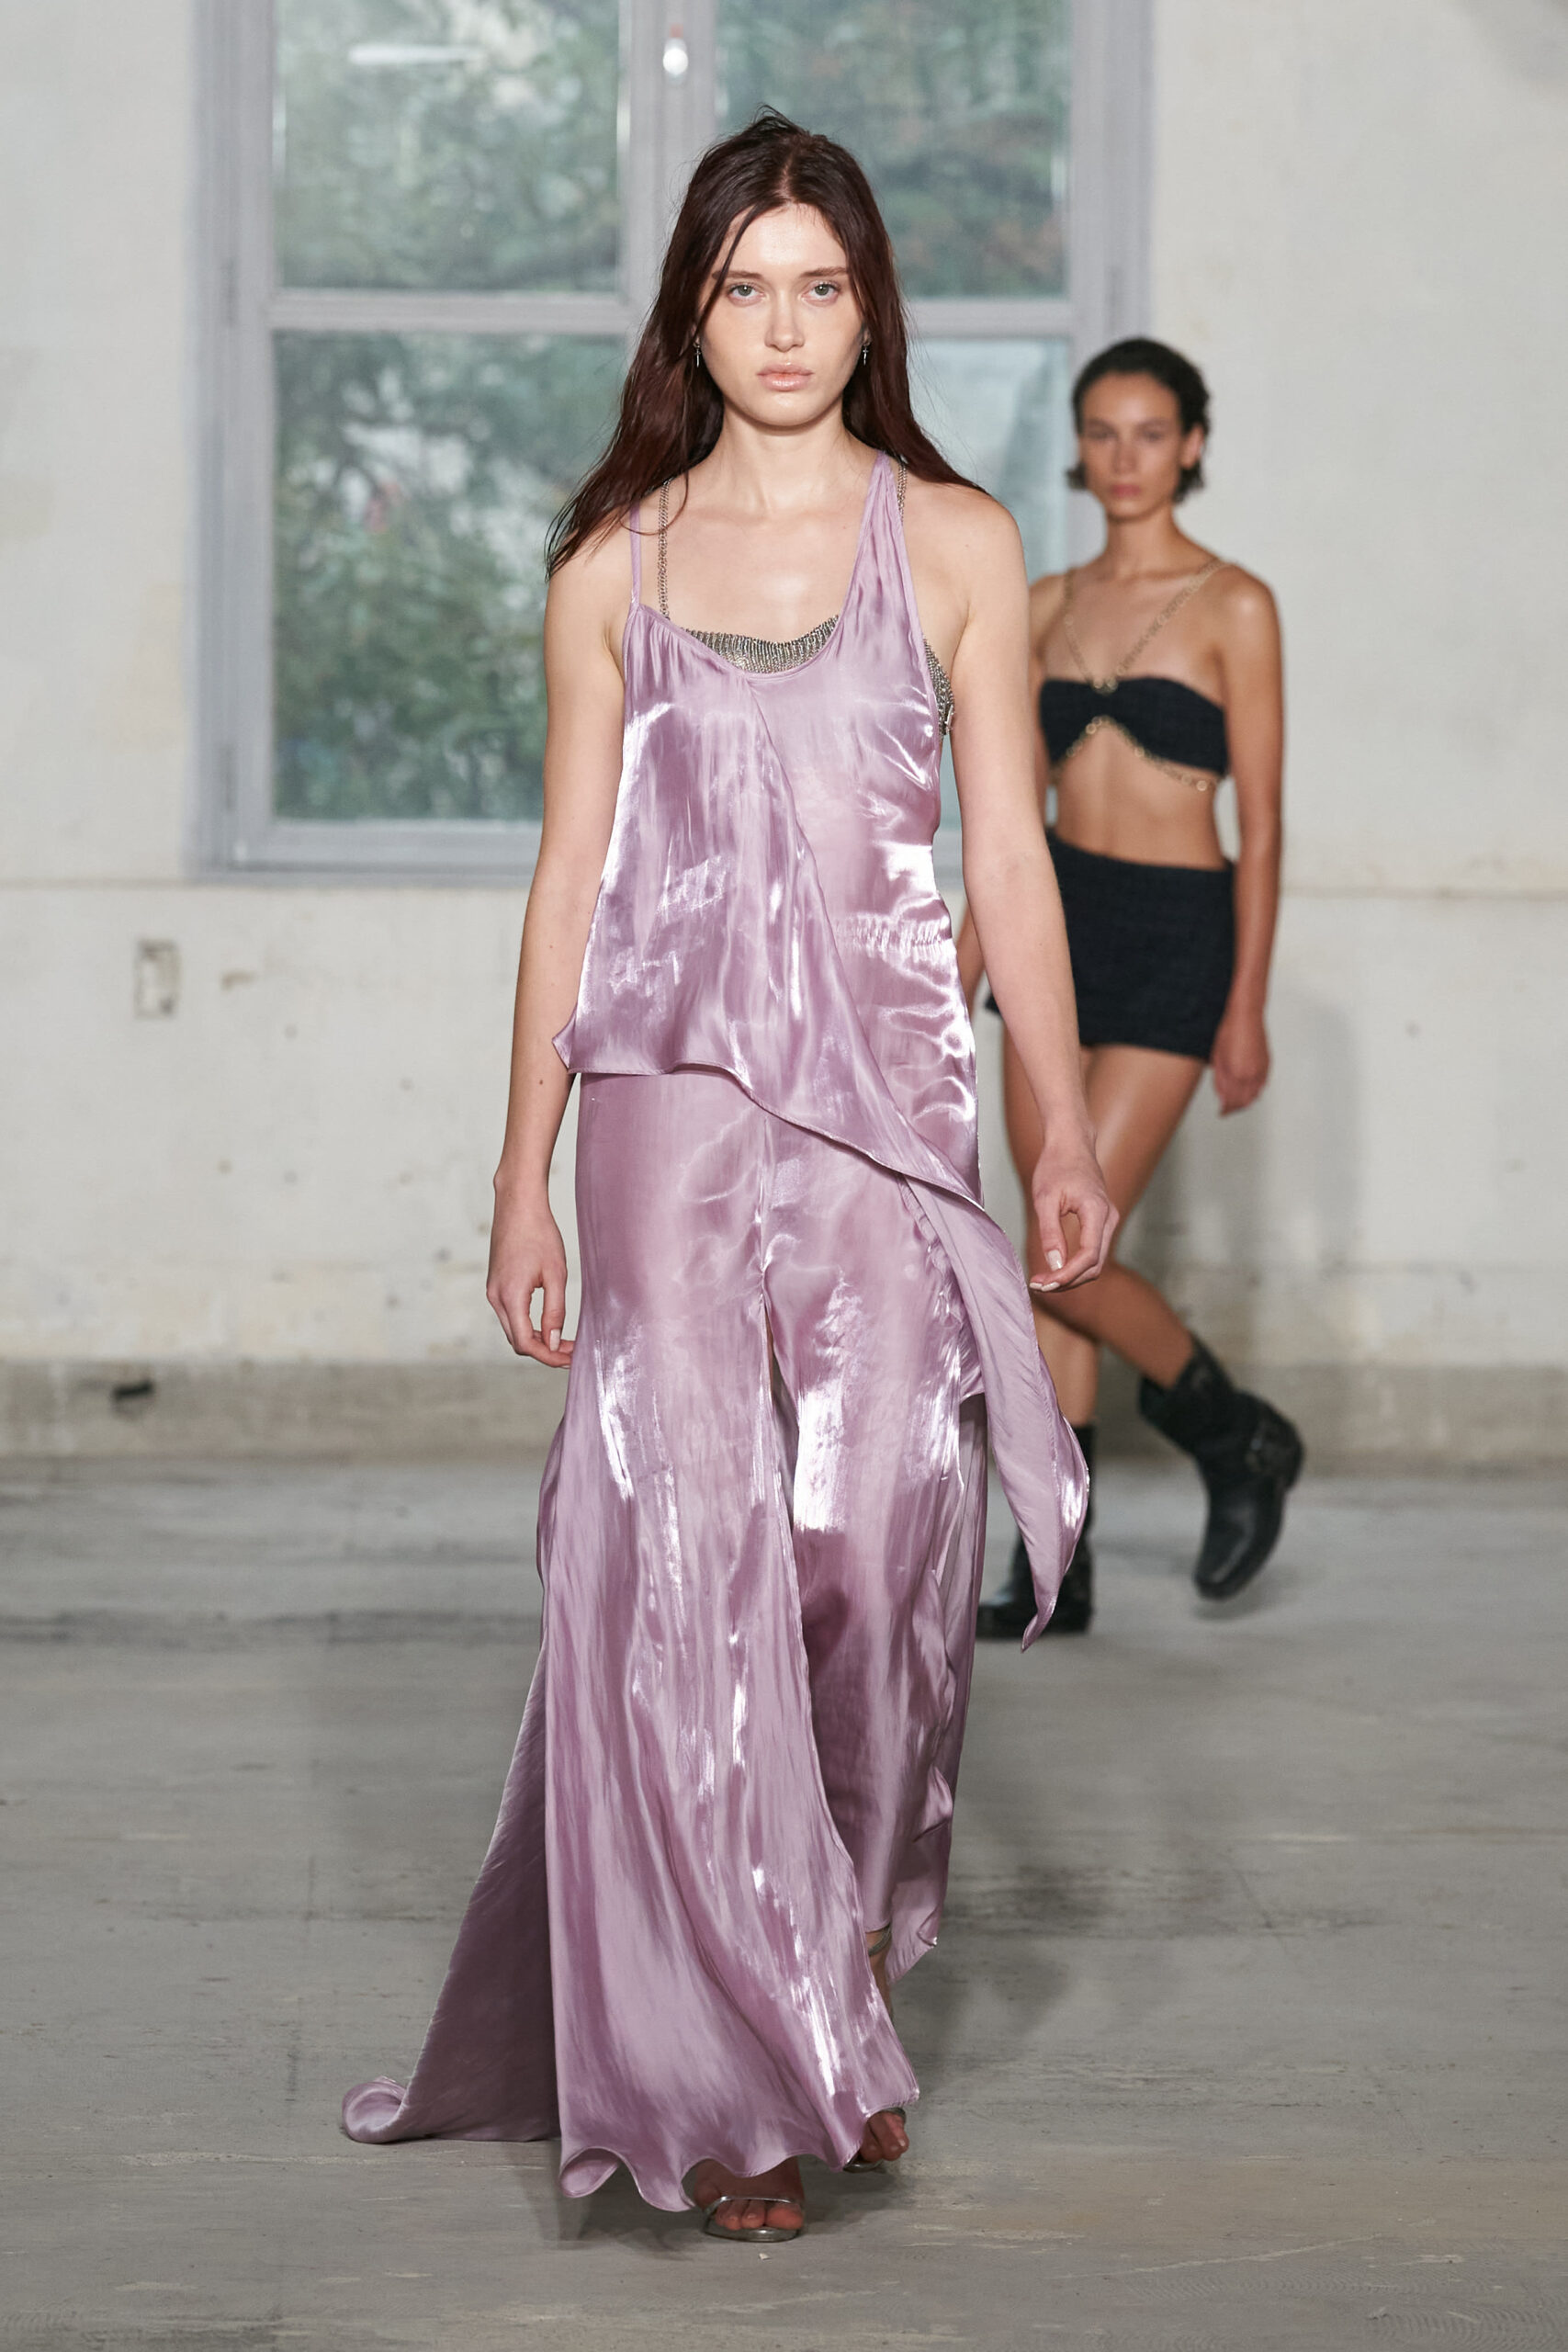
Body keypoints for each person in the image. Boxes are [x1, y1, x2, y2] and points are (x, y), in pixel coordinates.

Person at [341, 114, 1114, 2243]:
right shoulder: (612, 565)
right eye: (743, 287)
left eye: (820, 286)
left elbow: (1007, 854)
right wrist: (519, 1176)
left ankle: (827, 1969)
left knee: (873, 1559)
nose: (783, 326)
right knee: (676, 1575)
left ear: (870, 309)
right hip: (663, 1114)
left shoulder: (950, 542)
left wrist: (1053, 1118)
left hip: (884, 1113)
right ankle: (719, 2080)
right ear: (691, 316)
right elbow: (563, 883)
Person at [961, 338, 1303, 1643]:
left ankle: (1238, 1434)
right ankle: (1060, 1561)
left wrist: (1245, 1005)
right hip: (1054, 930)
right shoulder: (1043, 603)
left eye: (1150, 433)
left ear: (1192, 445)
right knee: (1048, 1251)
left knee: (1064, 1254)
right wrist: (956, 975)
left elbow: (1263, 826)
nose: (1123, 458)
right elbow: (1007, 821)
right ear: (1079, 443)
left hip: (1176, 935)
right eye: (1102, 432)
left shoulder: (1236, 607)